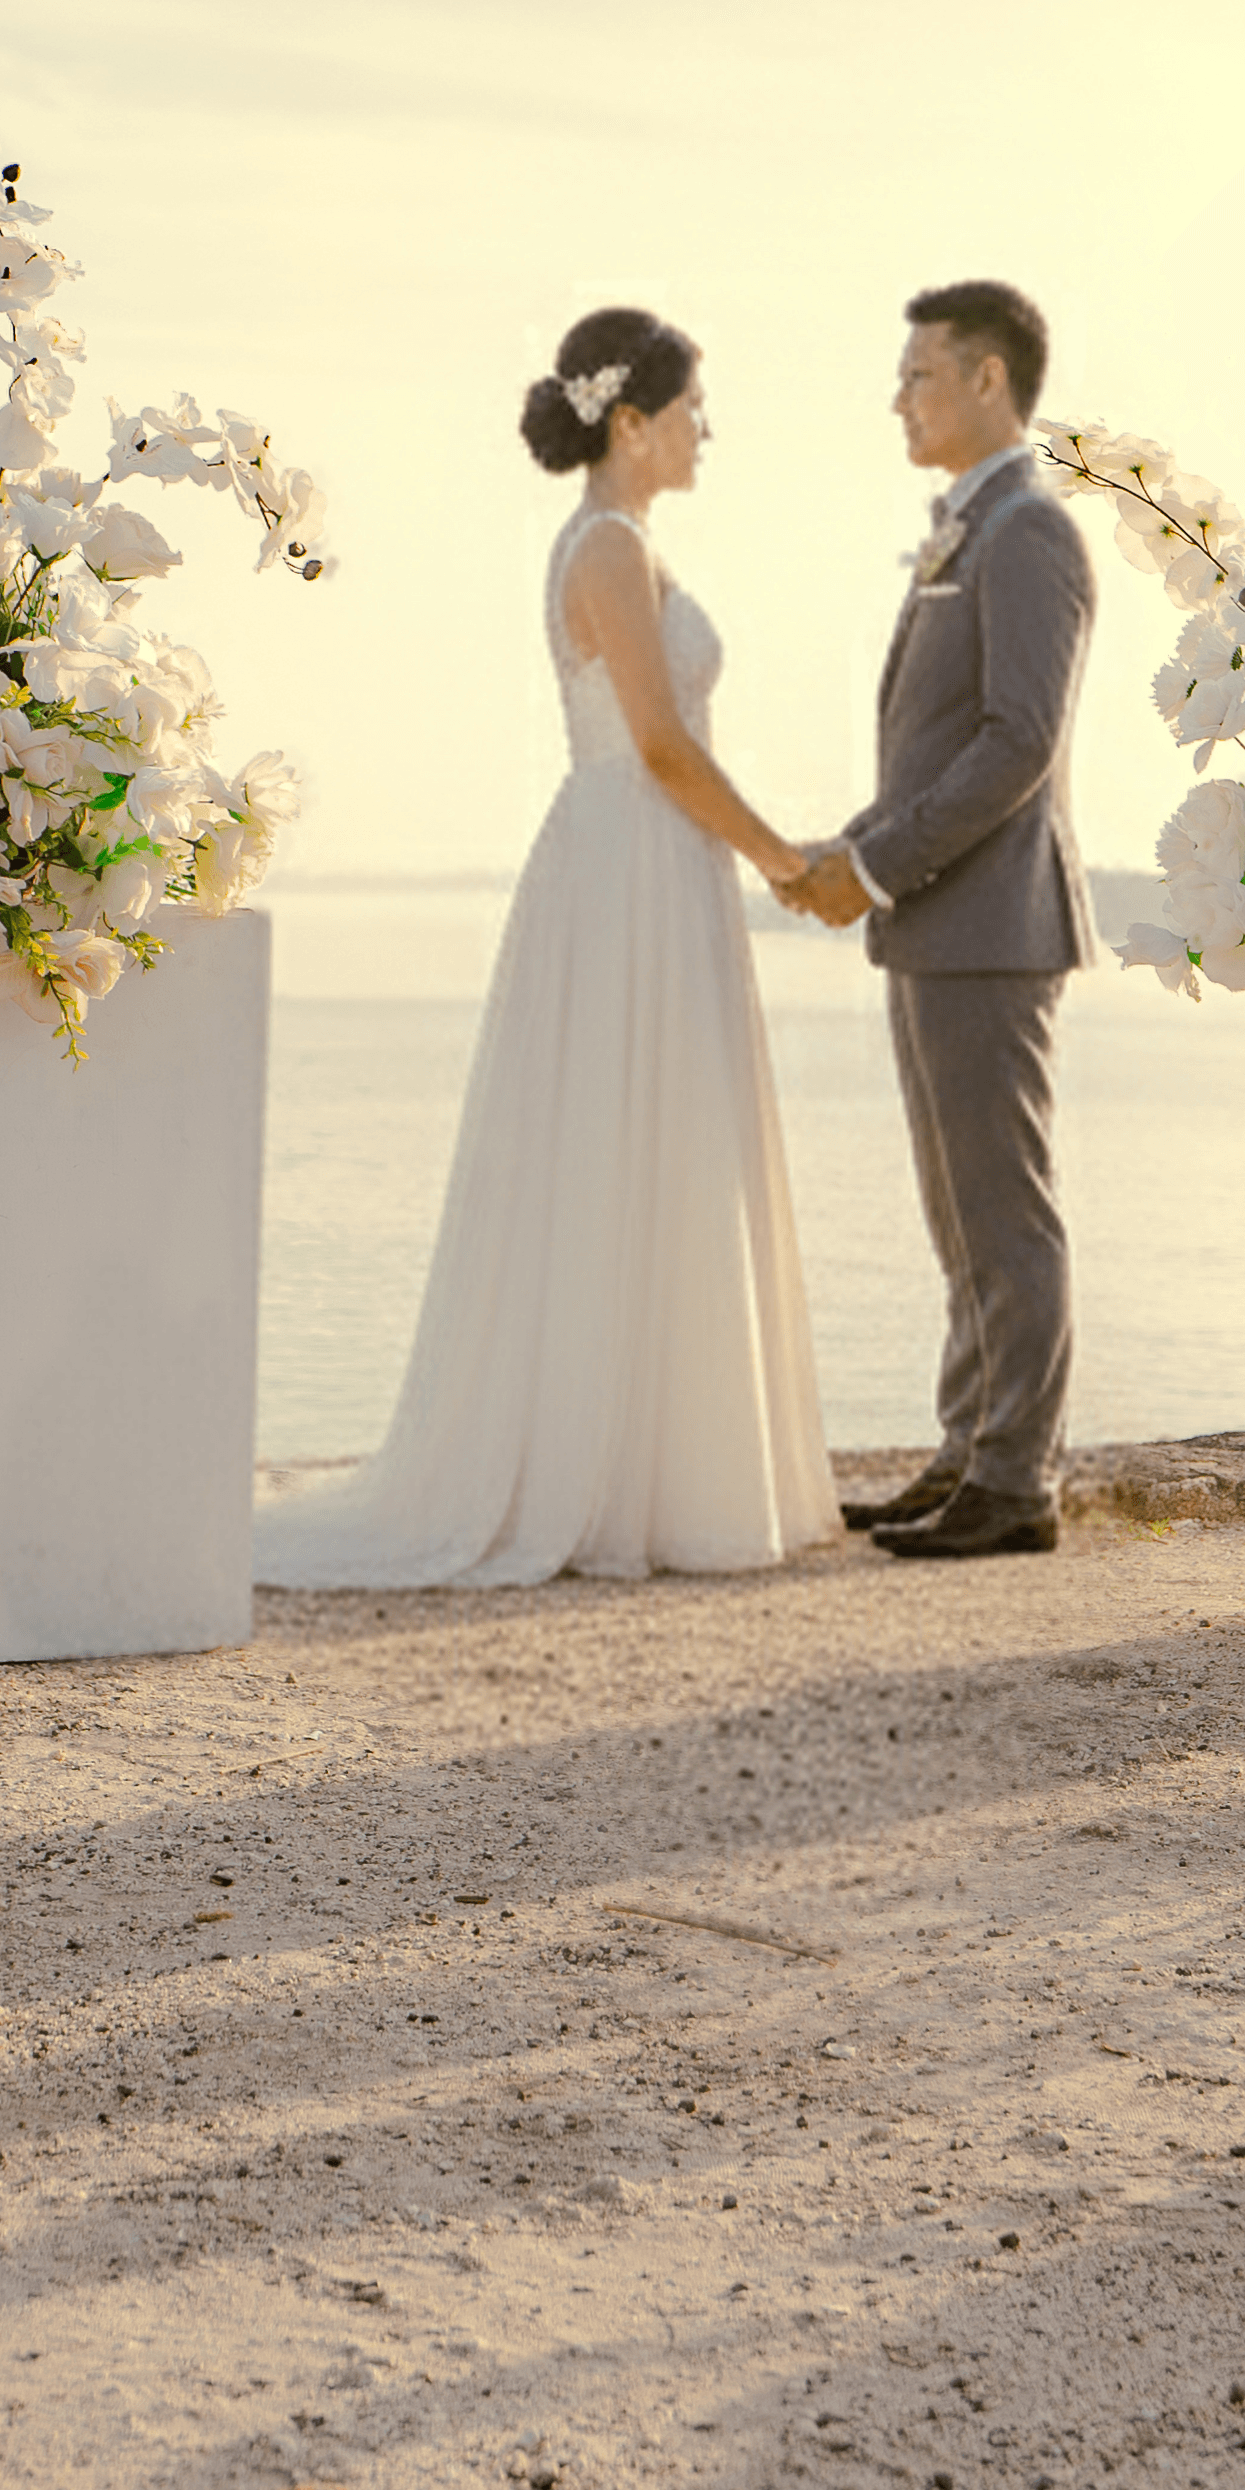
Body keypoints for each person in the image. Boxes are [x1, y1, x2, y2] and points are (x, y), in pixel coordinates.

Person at [257, 308, 840, 1589]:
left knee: (648, 1138)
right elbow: (663, 746)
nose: (707, 433)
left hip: (642, 859)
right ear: (631, 421)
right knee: (628, 1134)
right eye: (692, 410)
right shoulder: (612, 548)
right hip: (634, 851)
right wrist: (785, 859)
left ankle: (659, 1463)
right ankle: (616, 1472)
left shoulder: (613, 543)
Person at [781, 280, 1096, 1559]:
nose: (899, 397)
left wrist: (877, 862)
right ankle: (970, 1449)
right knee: (958, 1210)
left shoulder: (1027, 533)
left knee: (1005, 1212)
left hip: (990, 924)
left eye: (918, 374)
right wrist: (854, 850)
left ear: (986, 380)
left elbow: (1017, 741)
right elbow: (936, 746)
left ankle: (1018, 1481)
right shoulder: (968, 530)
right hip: (936, 920)